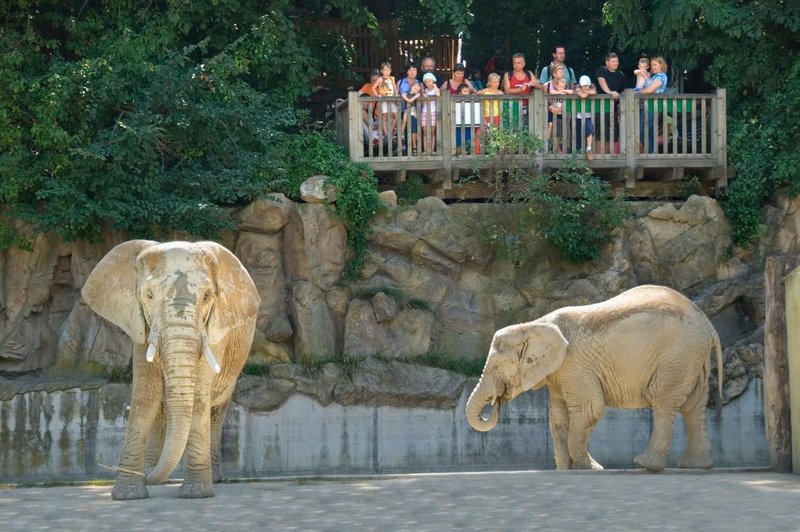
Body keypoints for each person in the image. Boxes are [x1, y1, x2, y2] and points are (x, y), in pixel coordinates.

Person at [595, 52, 627, 154]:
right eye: (613, 61)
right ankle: (599, 157)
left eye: (617, 61)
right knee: (600, 133)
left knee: (613, 133)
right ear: (607, 62)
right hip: (599, 108)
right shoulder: (602, 70)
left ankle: (610, 157)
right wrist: (609, 92)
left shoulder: (621, 75)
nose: (615, 63)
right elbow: (601, 82)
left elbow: (623, 91)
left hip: (613, 109)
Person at [637, 56, 668, 153]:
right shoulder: (655, 76)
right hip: (648, 106)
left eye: (655, 65)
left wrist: (636, 93)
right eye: (651, 65)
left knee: (642, 132)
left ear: (661, 65)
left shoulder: (661, 76)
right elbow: (648, 84)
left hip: (652, 107)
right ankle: (651, 154)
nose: (653, 67)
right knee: (649, 133)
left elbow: (650, 90)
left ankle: (651, 154)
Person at [503, 52, 541, 128]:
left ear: (524, 64)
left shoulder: (529, 74)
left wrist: (533, 84)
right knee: (513, 128)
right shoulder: (508, 75)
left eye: (519, 63)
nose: (516, 65)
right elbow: (507, 91)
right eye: (515, 63)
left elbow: (540, 86)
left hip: (528, 106)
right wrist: (520, 89)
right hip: (512, 107)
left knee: (527, 128)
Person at [543, 64, 573, 153]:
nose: (562, 73)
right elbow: (544, 100)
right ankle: (548, 146)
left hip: (561, 111)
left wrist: (562, 91)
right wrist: (550, 107)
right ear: (554, 74)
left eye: (563, 72)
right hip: (549, 111)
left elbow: (570, 93)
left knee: (562, 129)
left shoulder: (564, 84)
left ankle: (561, 148)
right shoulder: (547, 85)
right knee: (550, 126)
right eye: (560, 72)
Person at [371, 62, 398, 138]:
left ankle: (390, 131)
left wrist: (396, 96)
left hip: (391, 99)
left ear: (390, 71)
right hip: (384, 99)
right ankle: (386, 133)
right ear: (382, 71)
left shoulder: (391, 79)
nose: (387, 72)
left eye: (388, 70)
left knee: (396, 116)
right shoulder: (380, 79)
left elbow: (395, 89)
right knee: (384, 116)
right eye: (385, 70)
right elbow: (373, 88)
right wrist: (377, 95)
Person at [574, 75, 597, 161]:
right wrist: (586, 93)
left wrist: (587, 92)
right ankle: (577, 152)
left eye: (586, 85)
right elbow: (581, 95)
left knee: (589, 129)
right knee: (578, 134)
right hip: (578, 117)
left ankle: (588, 149)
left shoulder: (592, 87)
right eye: (583, 86)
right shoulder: (578, 88)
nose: (585, 87)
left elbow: (594, 92)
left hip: (588, 116)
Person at [454, 83, 480, 154]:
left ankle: (467, 152)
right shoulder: (454, 100)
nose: (466, 93)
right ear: (459, 93)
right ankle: (458, 152)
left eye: (468, 91)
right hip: (458, 124)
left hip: (468, 124)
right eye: (464, 91)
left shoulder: (472, 100)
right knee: (458, 138)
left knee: (468, 138)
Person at [358, 69, 381, 145]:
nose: (375, 82)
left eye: (376, 80)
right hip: (374, 119)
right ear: (370, 81)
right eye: (373, 80)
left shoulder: (385, 87)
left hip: (383, 116)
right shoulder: (367, 86)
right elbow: (357, 96)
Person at [420, 72, 441, 154]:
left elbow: (438, 95)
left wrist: (435, 86)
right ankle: (425, 150)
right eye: (427, 81)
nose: (429, 83)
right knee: (425, 133)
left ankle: (432, 150)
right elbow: (422, 103)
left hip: (433, 112)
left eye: (430, 81)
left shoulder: (436, 89)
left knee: (432, 132)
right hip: (425, 112)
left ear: (433, 81)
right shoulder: (424, 91)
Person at [401, 81, 422, 155]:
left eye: (417, 89)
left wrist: (412, 98)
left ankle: (414, 146)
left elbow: (418, 94)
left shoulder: (417, 94)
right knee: (404, 121)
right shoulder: (407, 92)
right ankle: (402, 134)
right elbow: (403, 94)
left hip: (413, 110)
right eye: (415, 88)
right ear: (411, 87)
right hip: (407, 110)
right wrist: (408, 100)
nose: (415, 90)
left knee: (414, 129)